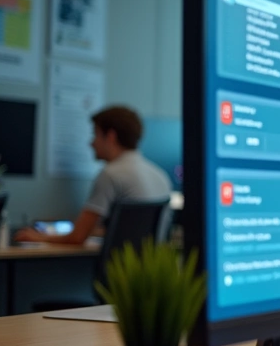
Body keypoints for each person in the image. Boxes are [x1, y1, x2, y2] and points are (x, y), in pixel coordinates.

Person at [14, 105, 172, 246]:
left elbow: (77, 238)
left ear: (110, 136)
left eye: (95, 134)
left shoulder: (111, 174)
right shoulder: (160, 176)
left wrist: (39, 237)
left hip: (118, 271)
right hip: (148, 272)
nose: (92, 143)